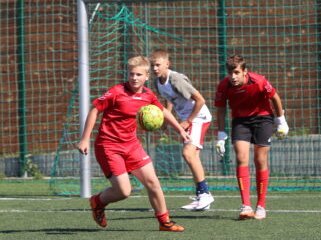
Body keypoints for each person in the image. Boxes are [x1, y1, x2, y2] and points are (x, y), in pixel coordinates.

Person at [78, 56, 191, 232]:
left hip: (131, 145)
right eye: (131, 74)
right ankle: (97, 201)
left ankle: (164, 222)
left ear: (147, 76)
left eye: (139, 74)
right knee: (123, 191)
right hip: (109, 146)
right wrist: (85, 139)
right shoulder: (116, 92)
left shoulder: (148, 95)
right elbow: (95, 110)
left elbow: (162, 111)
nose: (134, 78)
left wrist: (180, 130)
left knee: (153, 182)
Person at [214, 54, 289, 220]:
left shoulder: (259, 81)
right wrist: (221, 134)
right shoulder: (224, 86)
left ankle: (261, 206)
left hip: (263, 118)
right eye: (230, 73)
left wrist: (281, 121)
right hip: (240, 121)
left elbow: (275, 98)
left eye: (236, 72)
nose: (233, 76)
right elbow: (220, 110)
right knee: (241, 158)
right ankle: (246, 206)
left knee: (260, 160)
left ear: (244, 72)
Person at [150, 49, 214, 211]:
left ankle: (205, 194)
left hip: (198, 118)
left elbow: (200, 100)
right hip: (189, 119)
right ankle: (202, 195)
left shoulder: (176, 79)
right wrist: (167, 118)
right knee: (193, 157)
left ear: (167, 64)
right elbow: (170, 99)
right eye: (152, 66)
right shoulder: (157, 82)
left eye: (158, 65)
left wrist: (188, 121)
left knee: (187, 153)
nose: (155, 68)